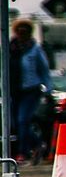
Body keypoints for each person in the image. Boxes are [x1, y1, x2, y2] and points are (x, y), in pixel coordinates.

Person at [8, 18, 51, 165]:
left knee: (23, 120)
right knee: (13, 123)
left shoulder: (35, 49)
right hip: (14, 90)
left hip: (31, 89)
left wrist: (47, 88)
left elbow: (44, 69)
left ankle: (23, 152)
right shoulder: (10, 48)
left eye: (25, 31)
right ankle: (37, 144)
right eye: (19, 31)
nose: (22, 34)